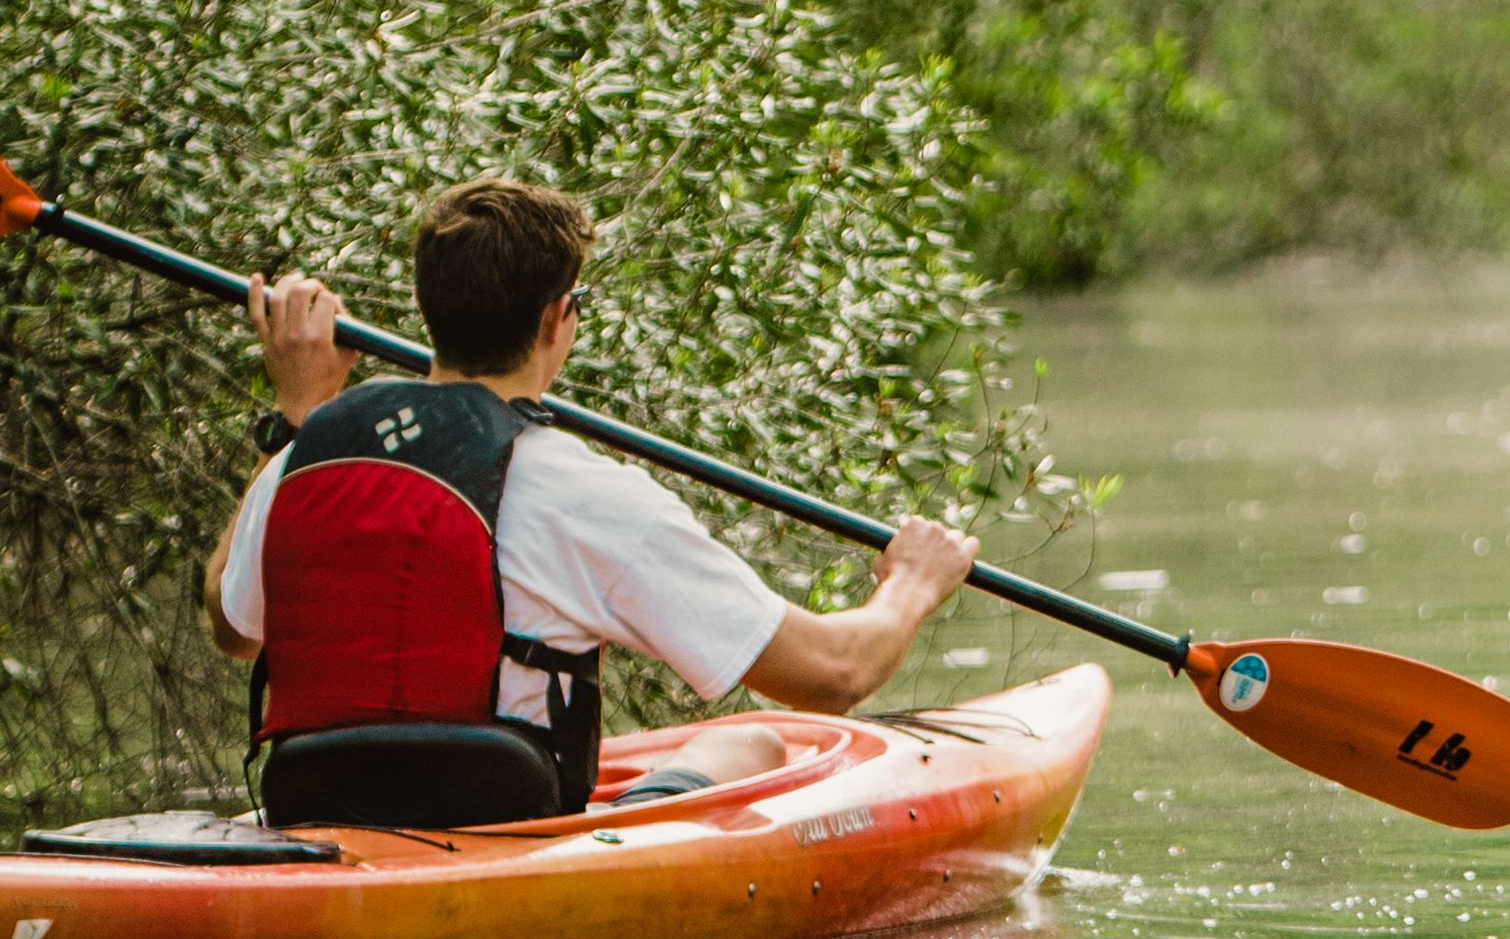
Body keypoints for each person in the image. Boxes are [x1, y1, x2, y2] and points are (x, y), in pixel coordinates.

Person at [207, 177, 980, 824]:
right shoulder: (584, 492)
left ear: (429, 307)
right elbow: (833, 671)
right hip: (507, 834)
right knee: (751, 745)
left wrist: (300, 414)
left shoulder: (311, 454)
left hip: (319, 811)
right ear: (556, 318)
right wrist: (911, 581)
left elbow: (232, 624)